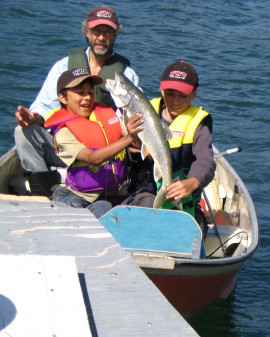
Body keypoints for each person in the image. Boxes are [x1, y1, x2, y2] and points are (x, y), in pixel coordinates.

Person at [14, 5, 139, 196]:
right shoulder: (63, 66)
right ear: (86, 33)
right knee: (24, 131)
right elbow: (43, 107)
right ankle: (42, 191)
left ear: (115, 35)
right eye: (96, 31)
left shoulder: (126, 75)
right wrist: (32, 116)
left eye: (108, 32)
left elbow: (133, 118)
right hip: (66, 146)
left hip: (104, 152)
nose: (101, 37)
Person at [122, 61, 215, 233]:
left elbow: (206, 161)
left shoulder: (199, 124)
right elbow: (126, 149)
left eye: (183, 95)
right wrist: (131, 143)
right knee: (149, 218)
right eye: (170, 94)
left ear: (194, 93)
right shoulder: (142, 110)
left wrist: (193, 182)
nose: (175, 101)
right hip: (143, 190)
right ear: (161, 89)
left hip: (182, 195)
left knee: (185, 229)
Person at [44, 68, 143, 218]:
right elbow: (93, 158)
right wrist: (129, 138)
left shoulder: (107, 116)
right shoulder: (63, 133)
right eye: (80, 92)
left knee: (104, 208)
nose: (87, 98)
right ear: (63, 98)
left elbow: (134, 140)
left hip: (107, 195)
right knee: (76, 213)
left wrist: (136, 135)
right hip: (77, 195)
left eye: (90, 92)